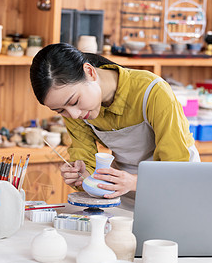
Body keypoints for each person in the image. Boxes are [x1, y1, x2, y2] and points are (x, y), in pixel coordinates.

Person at [30, 43, 200, 207]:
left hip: (176, 187)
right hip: (123, 194)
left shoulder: (152, 91)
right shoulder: (77, 111)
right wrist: (83, 177)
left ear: (89, 72)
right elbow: (86, 163)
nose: (73, 115)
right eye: (60, 110)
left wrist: (135, 181)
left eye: (74, 101)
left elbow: (177, 167)